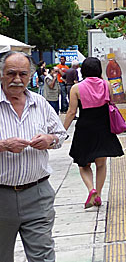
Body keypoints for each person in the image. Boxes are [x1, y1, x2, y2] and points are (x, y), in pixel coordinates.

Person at [0, 52, 68, 262]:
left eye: (23, 74)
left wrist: (49, 139)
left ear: (30, 76)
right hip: (1, 195)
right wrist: (2, 145)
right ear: (1, 74)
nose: (17, 79)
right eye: (11, 74)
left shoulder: (39, 103)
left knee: (43, 257)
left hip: (37, 194)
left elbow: (60, 135)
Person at [64, 57, 125, 208]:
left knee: (83, 164)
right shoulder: (107, 85)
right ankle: (98, 193)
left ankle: (91, 189)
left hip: (85, 128)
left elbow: (72, 112)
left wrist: (61, 130)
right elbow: (111, 104)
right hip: (103, 127)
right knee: (101, 164)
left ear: (83, 70)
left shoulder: (76, 88)